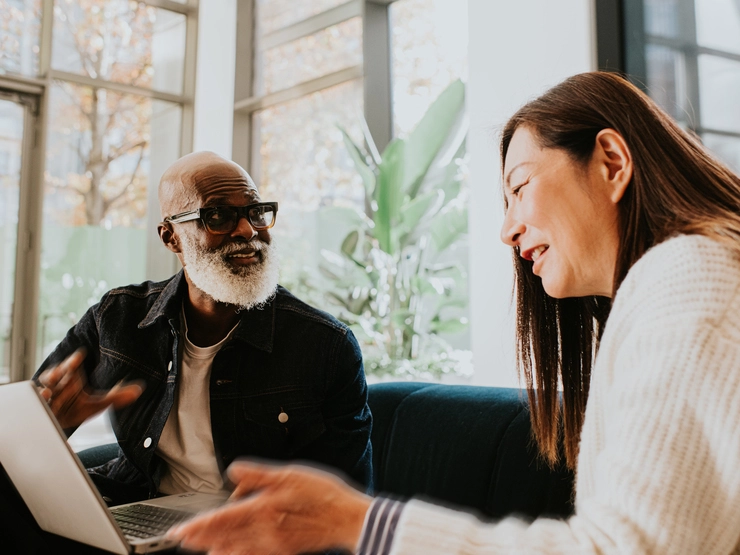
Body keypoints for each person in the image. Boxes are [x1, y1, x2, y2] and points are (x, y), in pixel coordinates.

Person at [168, 72, 740, 555]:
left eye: (519, 187)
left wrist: (363, 522)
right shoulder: (672, 287)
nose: (507, 228)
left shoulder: (689, 277)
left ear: (611, 162)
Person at [2, 151, 372, 551]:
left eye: (257, 212)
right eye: (218, 216)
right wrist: (47, 428)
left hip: (251, 533)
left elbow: (347, 505)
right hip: (136, 506)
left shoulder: (325, 345)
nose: (248, 230)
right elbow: (26, 429)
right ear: (170, 237)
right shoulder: (118, 317)